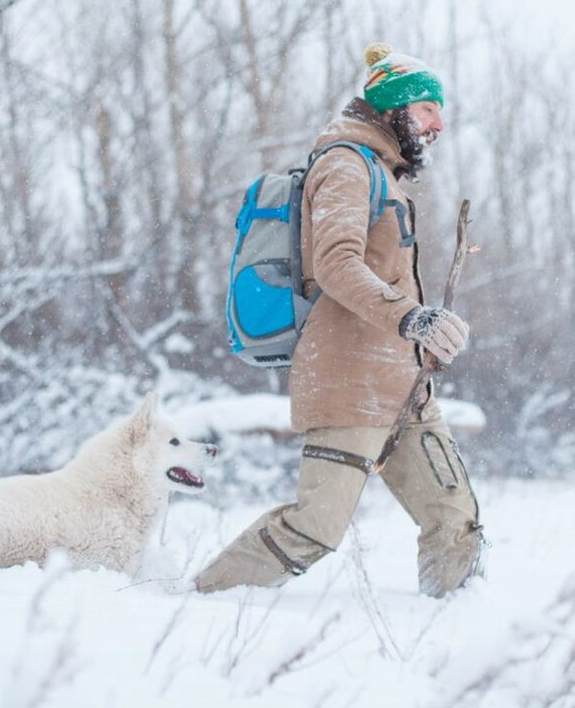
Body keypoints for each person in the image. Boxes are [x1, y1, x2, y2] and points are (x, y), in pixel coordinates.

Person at [195, 43, 483, 597]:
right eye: (426, 109)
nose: (438, 124)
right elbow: (335, 263)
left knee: (454, 517)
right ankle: (202, 601)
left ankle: (451, 633)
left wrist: (422, 334)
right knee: (315, 529)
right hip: (349, 381)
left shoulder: (382, 172)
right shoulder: (346, 165)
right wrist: (411, 319)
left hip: (403, 385)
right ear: (395, 107)